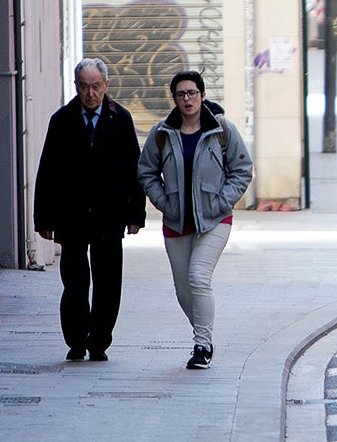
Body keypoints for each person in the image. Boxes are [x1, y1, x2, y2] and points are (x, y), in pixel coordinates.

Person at [138, 71, 253, 370]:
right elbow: (146, 171)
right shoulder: (162, 133)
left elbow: (242, 169)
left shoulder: (221, 129)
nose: (187, 99)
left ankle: (202, 345)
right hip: (176, 222)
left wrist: (222, 201)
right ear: (174, 99)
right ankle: (205, 333)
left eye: (192, 93)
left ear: (202, 95)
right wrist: (163, 201)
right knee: (183, 289)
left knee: (198, 278)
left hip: (214, 219)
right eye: (181, 94)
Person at [33, 58, 145, 362]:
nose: (90, 93)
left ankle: (99, 342)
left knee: (108, 283)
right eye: (84, 87)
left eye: (96, 86)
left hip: (109, 216)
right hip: (72, 217)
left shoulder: (120, 119)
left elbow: (134, 168)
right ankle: (76, 340)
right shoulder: (62, 120)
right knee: (75, 282)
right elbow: (48, 171)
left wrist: (136, 215)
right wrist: (43, 218)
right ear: (76, 87)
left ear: (106, 86)